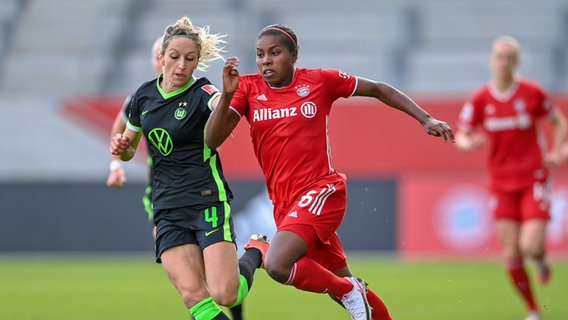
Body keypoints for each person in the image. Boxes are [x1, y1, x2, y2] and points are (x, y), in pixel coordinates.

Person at [205, 24, 455, 320]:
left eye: (275, 53)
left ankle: (272, 253)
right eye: (260, 55)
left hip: (322, 190)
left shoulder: (320, 81)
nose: (266, 61)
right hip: (285, 204)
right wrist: (227, 96)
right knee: (344, 285)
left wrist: (424, 118)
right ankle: (353, 293)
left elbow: (377, 88)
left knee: (277, 265)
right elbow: (211, 139)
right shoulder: (247, 87)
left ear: (294, 54)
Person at [109, 17, 267, 320]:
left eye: (190, 59)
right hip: (166, 207)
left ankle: (256, 251)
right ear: (161, 58)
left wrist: (230, 95)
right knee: (194, 295)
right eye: (175, 57)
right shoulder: (143, 97)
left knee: (225, 293)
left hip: (205, 199)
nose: (181, 65)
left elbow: (222, 108)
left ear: (197, 62)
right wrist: (121, 150)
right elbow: (129, 148)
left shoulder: (203, 93)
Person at [455, 35, 568, 320]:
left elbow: (559, 121)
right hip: (500, 182)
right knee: (512, 251)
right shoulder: (481, 98)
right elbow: (462, 134)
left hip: (533, 178)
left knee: (531, 247)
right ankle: (532, 309)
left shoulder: (531, 93)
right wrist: (469, 144)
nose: (503, 62)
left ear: (516, 62)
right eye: (499, 56)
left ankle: (541, 260)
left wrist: (556, 152)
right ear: (491, 61)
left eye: (509, 57)